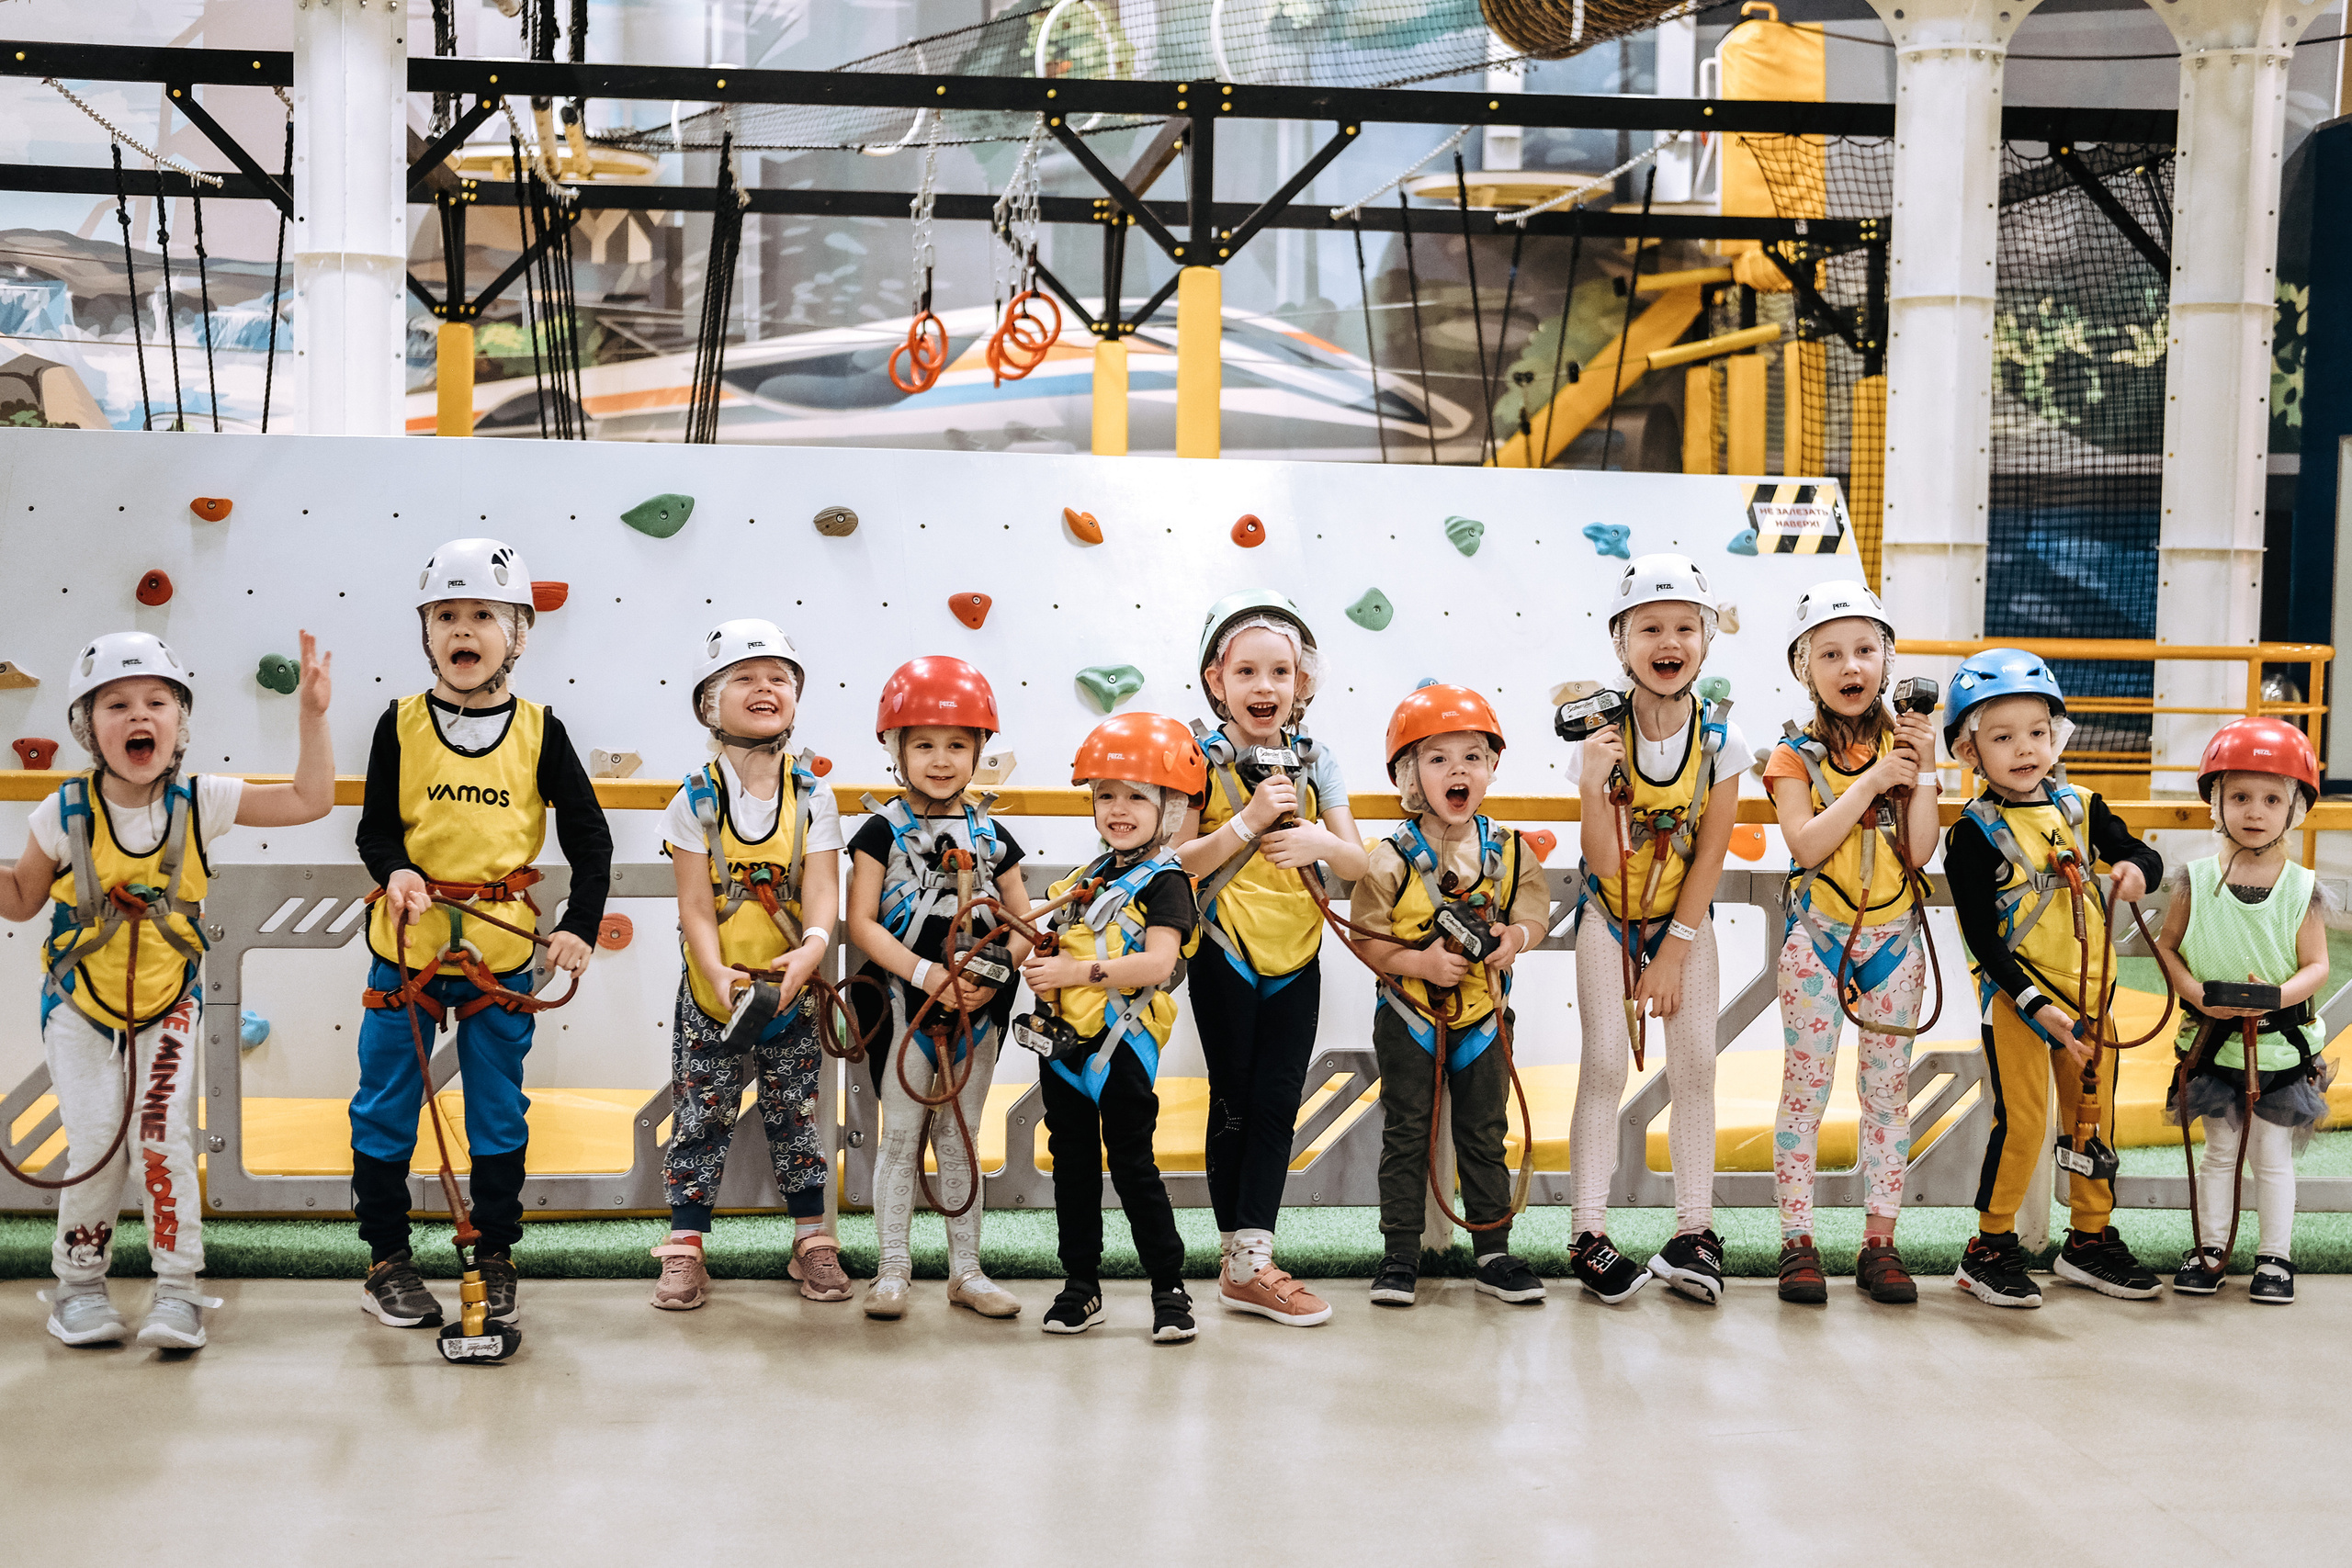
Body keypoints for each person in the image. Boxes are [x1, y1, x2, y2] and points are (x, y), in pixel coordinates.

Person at [1, 632, 334, 1350]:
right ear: (89, 728)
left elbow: (311, 799)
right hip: (79, 1005)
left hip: (168, 1003)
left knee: (161, 1140)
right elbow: (22, 897)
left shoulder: (203, 800)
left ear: (179, 722)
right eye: (116, 704)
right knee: (97, 1141)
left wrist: (310, 715)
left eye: (156, 701)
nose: (137, 715)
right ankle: (80, 1286)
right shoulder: (63, 811)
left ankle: (177, 1290)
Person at [351, 539, 612, 1333]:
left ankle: (493, 1253)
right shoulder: (398, 725)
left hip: (500, 959)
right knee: (387, 1106)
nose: (463, 630)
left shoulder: (541, 730)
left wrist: (579, 929)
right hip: (408, 951)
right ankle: (387, 1260)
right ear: (427, 632)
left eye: (483, 616)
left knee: (499, 1110)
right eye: (446, 616)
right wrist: (396, 869)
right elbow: (374, 830)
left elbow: (590, 841)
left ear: (519, 634)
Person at [1942, 649, 2164, 1308]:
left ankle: (2089, 1237)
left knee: (2092, 1118)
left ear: (2056, 734)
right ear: (1969, 750)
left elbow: (2139, 851)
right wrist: (2036, 1003)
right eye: (2002, 737)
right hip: (2019, 1001)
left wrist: (2137, 872)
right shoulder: (1974, 834)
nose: (2024, 748)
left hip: (2092, 998)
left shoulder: (2082, 806)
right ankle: (1990, 1245)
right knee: (2025, 1121)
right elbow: (1981, 937)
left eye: (2037, 732)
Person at [1177, 591, 1367, 1327]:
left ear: (1303, 682)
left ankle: (1247, 1259)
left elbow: (1355, 864)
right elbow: (1176, 863)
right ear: (1215, 678)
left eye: (1280, 672)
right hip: (1225, 946)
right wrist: (1247, 822)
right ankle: (1244, 1258)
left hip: (1298, 952)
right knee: (1235, 1097)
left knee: (1279, 1101)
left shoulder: (1319, 762)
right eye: (1246, 670)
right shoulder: (1196, 757)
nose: (1264, 687)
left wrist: (1319, 842)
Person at [650, 619, 848, 1311]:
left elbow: (822, 887)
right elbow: (696, 907)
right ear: (711, 702)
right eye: (745, 676)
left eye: (779, 678)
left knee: (798, 1113)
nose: (765, 688)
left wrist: (816, 943)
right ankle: (684, 1247)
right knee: (701, 1114)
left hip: (792, 987)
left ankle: (811, 1237)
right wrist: (716, 973)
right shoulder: (693, 803)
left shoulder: (814, 797)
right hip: (715, 995)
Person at [1564, 554, 1747, 1306]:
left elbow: (1711, 852)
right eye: (1649, 627)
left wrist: (1673, 949)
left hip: (1683, 923)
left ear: (1705, 640)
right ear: (1620, 641)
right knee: (1605, 1063)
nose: (1667, 641)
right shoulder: (1601, 735)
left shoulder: (1721, 742)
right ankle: (1588, 1232)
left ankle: (1694, 1231)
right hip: (1611, 918)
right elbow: (1605, 866)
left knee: (1697, 1065)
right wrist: (1589, 783)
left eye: (1683, 627)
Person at [1762, 582, 1939, 1305]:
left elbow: (1920, 851)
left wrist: (1920, 770)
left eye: (1865, 649)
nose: (1849, 665)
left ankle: (1880, 1240)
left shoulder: (1906, 750)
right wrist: (1871, 781)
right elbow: (1805, 842)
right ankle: (1797, 1240)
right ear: (1806, 668)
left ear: (1888, 661)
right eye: (1830, 652)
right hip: (1818, 940)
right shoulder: (1792, 756)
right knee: (1804, 1095)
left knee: (1887, 1099)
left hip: (1894, 941)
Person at [845, 657, 1033, 1321]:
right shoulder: (878, 832)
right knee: (900, 1137)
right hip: (905, 1007)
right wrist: (926, 975)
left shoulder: (992, 836)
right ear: (896, 749)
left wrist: (991, 977)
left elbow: (1020, 922)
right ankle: (892, 1268)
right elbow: (860, 922)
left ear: (980, 750)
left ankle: (967, 1271)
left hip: (977, 1012)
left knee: (960, 1134)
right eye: (923, 743)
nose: (942, 759)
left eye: (957, 744)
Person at [1352, 685, 1551, 1309]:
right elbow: (1366, 938)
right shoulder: (1388, 858)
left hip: (1484, 1018)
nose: (1457, 770)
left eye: (1472, 755)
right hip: (1409, 1016)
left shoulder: (1512, 851)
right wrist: (1420, 962)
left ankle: (1493, 1250)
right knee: (1407, 1133)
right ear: (1410, 776)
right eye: (1438, 759)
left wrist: (1513, 938)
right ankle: (1400, 1253)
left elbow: (1535, 916)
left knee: (1484, 1132)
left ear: (1492, 768)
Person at [1017, 714, 1204, 1342]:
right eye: (1106, 794)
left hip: (1120, 1045)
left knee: (1132, 1165)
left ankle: (1168, 1287)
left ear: (1169, 807)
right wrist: (1040, 959)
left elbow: (1157, 961)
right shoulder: (1085, 879)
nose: (1118, 809)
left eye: (1136, 796)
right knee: (1071, 1165)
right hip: (1064, 1046)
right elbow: (1044, 940)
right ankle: (1080, 1284)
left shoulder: (1167, 880)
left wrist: (1073, 969)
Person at [2152, 717, 2334, 1305]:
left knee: (2272, 1157)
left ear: (2295, 808)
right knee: (2220, 1153)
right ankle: (2210, 1251)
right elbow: (2168, 948)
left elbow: (2316, 966)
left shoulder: (2302, 888)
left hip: (2279, 1048)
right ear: (2215, 802)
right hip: (2213, 1047)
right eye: (2239, 797)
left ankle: (2274, 1258)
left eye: (2272, 799)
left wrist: (2276, 997)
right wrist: (2196, 993)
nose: (2254, 811)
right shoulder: (2194, 881)